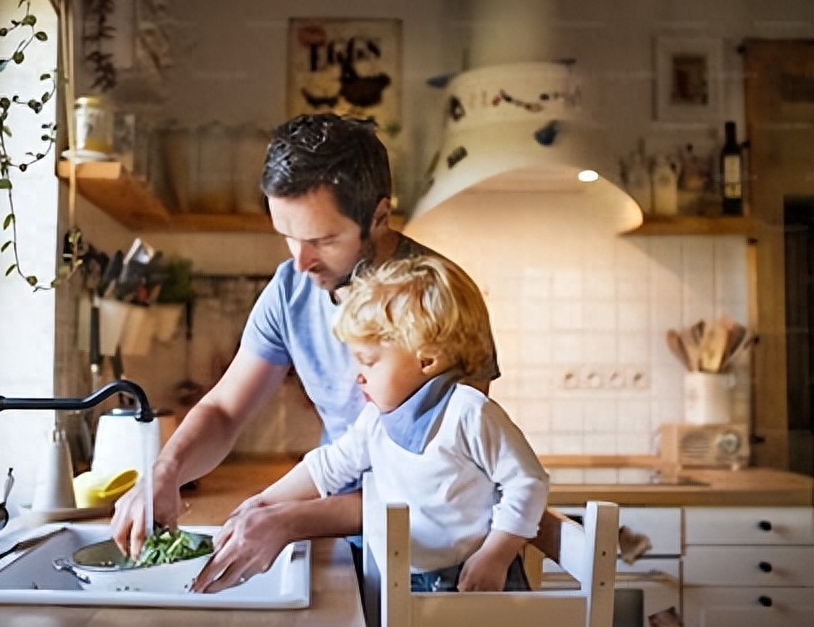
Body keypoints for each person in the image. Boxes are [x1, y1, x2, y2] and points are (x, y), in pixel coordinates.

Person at [110, 113, 500, 592]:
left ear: (378, 217)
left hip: (441, 560)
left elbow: (442, 481)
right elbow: (225, 409)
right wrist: (165, 473)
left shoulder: (440, 300)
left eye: (322, 240)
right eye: (288, 235)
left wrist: (294, 519)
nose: (300, 260)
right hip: (349, 535)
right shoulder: (290, 289)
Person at [242, 255, 549, 592]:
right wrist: (261, 503)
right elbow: (328, 466)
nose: (357, 375)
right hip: (407, 581)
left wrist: (496, 555)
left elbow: (528, 483)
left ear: (426, 360)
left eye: (369, 361)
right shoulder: (377, 419)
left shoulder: (468, 412)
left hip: (473, 579)